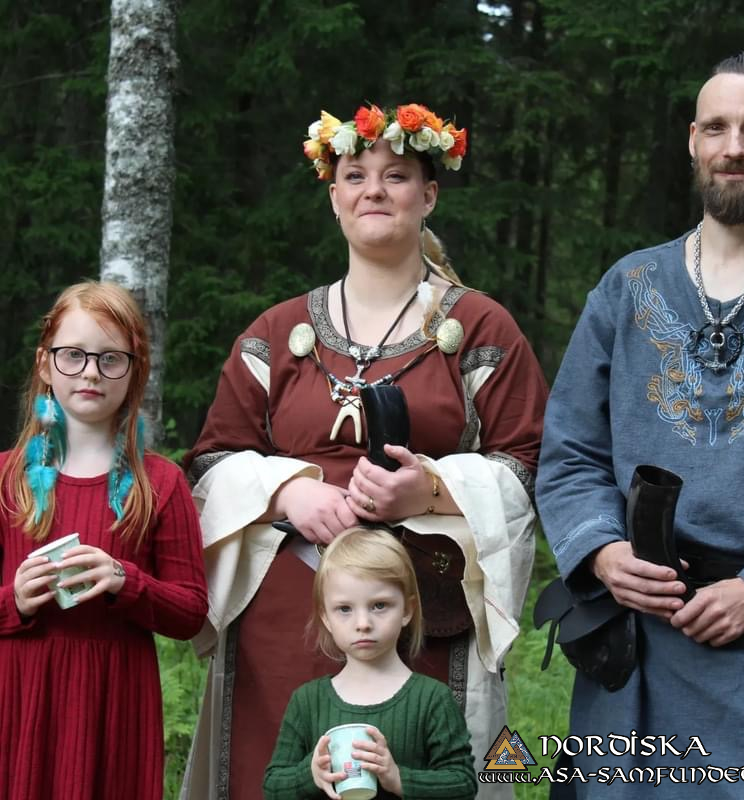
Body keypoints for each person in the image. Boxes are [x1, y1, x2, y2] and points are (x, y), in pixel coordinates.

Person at [181, 102, 548, 800]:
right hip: (290, 617)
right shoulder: (276, 330)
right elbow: (212, 457)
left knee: (420, 773)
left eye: (398, 175)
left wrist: (431, 489)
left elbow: (530, 461)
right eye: (356, 174)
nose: (374, 190)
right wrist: (288, 489)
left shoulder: (479, 326)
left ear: (429, 194)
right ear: (334, 198)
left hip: (420, 616)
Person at [535, 52, 744, 797]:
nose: (735, 147)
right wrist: (602, 552)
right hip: (639, 643)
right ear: (693, 140)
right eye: (717, 127)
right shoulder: (628, 287)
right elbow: (571, 454)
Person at [0, 281, 209, 800]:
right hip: (19, 696)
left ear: (135, 372)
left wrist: (126, 581)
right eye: (73, 355)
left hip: (116, 701)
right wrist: (15, 601)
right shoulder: (5, 479)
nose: (91, 371)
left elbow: (190, 613)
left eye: (111, 358)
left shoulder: (160, 483)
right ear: (45, 365)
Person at [263, 526, 477, 799]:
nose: (363, 624)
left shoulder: (433, 699)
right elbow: (273, 786)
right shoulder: (307, 702)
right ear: (326, 618)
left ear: (407, 610)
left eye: (379, 605)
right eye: (344, 609)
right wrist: (310, 774)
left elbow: (463, 784)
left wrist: (398, 778)